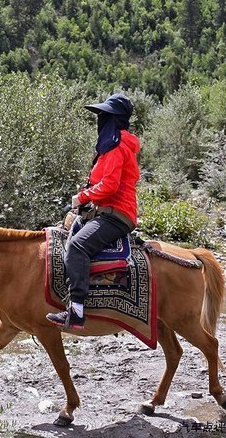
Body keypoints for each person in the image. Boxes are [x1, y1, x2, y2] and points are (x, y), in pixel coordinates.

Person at [46, 93, 140, 330]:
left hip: (116, 214)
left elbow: (110, 185)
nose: (100, 120)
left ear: (114, 120)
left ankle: (76, 310)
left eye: (104, 116)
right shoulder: (113, 145)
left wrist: (82, 197)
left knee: (77, 246)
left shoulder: (116, 147)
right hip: (106, 211)